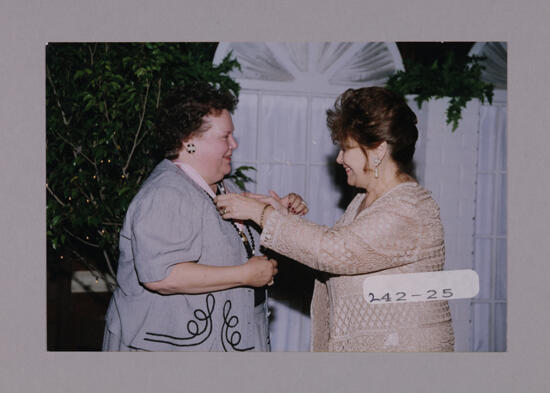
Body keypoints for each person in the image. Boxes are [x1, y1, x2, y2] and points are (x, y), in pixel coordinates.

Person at [215, 86, 455, 352]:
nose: (340, 158)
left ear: (378, 150)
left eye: (346, 148)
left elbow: (335, 251)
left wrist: (261, 214)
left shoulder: (411, 207)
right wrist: (282, 217)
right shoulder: (364, 200)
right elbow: (344, 254)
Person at [103, 82, 292, 351]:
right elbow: (162, 277)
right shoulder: (165, 194)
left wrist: (278, 214)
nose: (234, 144)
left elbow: (237, 244)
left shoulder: (225, 187)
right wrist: (245, 274)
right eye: (225, 137)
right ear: (189, 141)